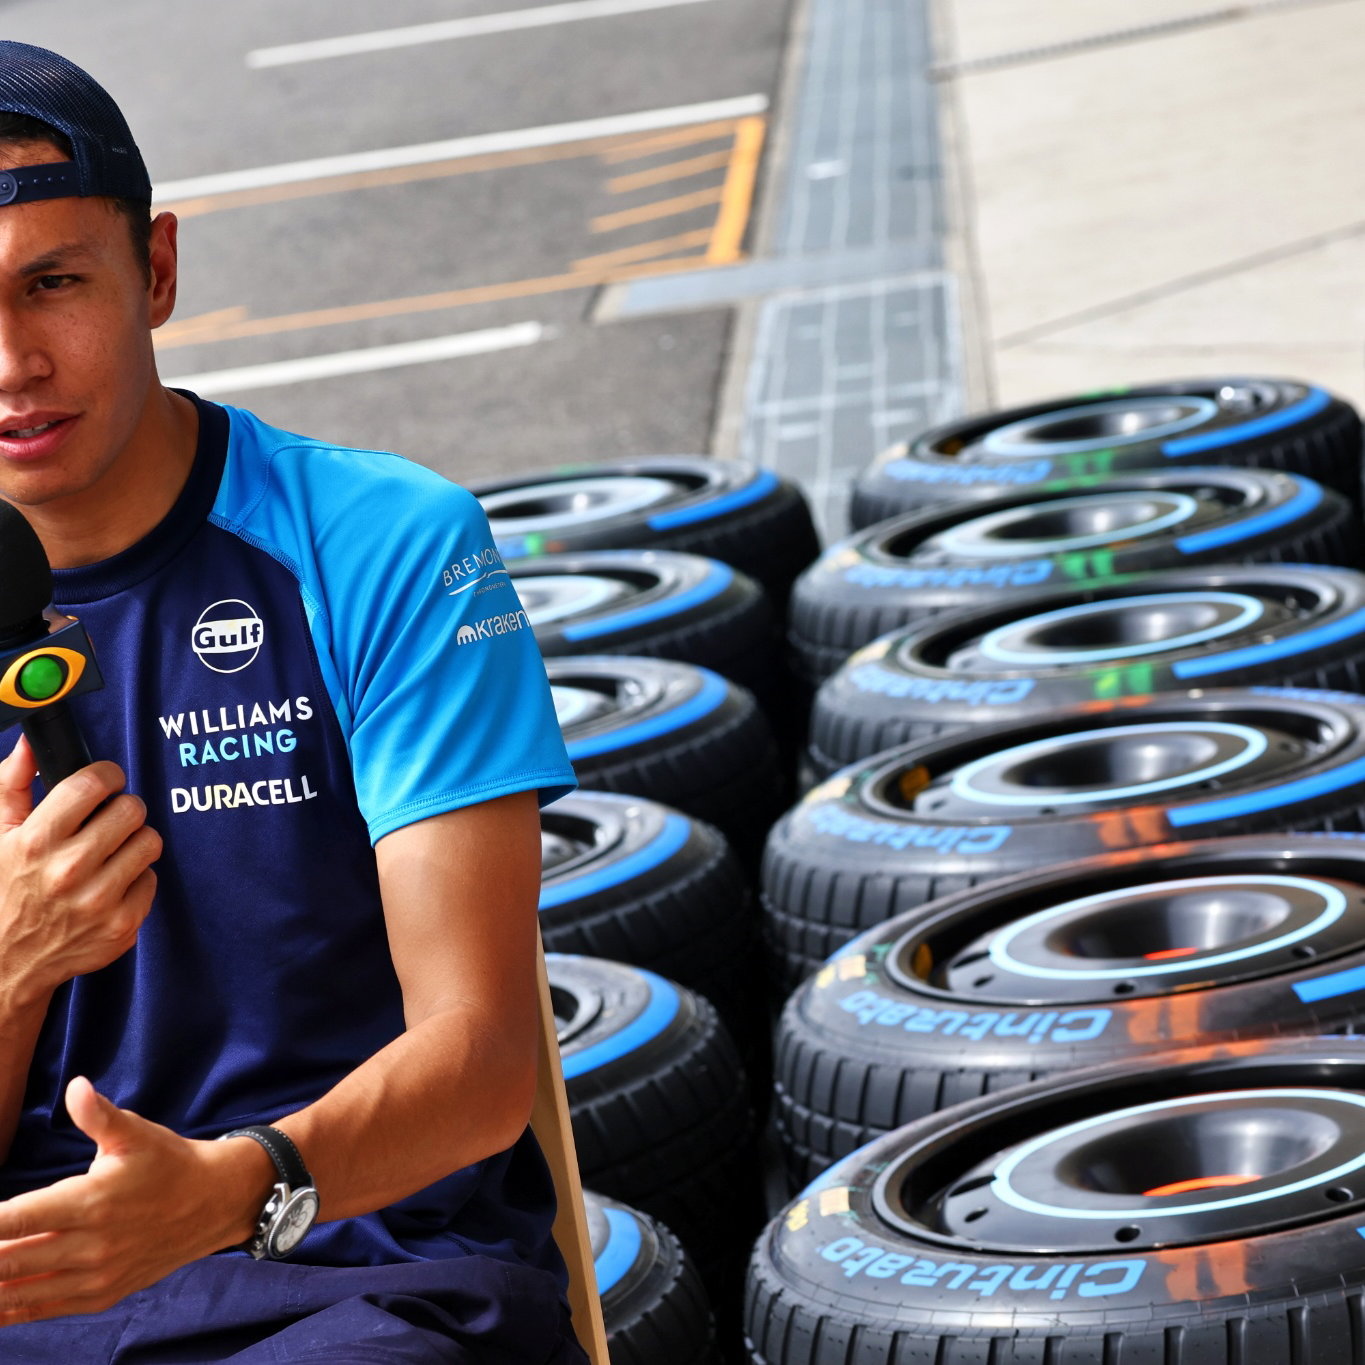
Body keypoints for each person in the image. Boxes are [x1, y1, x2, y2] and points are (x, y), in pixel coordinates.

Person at [0, 40, 586, 1364]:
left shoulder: (379, 541)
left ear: (154, 268)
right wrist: (17, 952)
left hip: (357, 1267)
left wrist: (232, 1190)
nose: (12, 363)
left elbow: (485, 1051)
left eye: (53, 283)